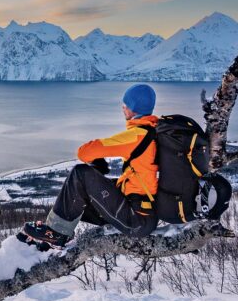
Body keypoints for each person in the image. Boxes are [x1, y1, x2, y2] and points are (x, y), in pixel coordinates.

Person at [19, 83, 160, 249]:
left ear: (133, 108)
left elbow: (84, 152)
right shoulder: (155, 131)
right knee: (78, 197)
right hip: (143, 213)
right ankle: (49, 240)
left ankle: (56, 233)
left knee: (81, 174)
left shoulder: (137, 135)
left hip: (136, 219)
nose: (123, 108)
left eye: (125, 105)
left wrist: (97, 158)